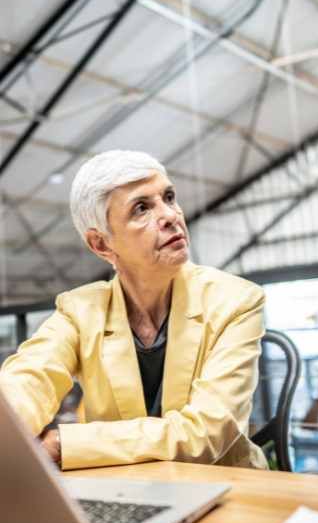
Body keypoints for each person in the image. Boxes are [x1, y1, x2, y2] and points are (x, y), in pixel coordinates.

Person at [0, 150, 267, 470]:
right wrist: (10, 431)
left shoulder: (236, 300)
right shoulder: (79, 311)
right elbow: (27, 381)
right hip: (125, 490)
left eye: (169, 197)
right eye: (142, 208)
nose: (170, 215)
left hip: (229, 488)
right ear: (101, 244)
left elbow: (206, 435)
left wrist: (64, 444)